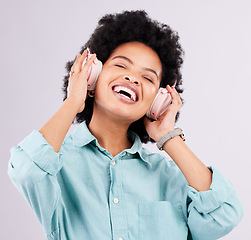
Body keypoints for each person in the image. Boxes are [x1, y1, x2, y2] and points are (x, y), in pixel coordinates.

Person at [8, 10, 243, 240]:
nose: (132, 78)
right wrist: (73, 102)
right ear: (93, 75)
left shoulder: (169, 176)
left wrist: (168, 137)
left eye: (148, 78)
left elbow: (225, 215)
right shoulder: (57, 164)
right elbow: (26, 171)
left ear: (157, 100)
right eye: (121, 66)